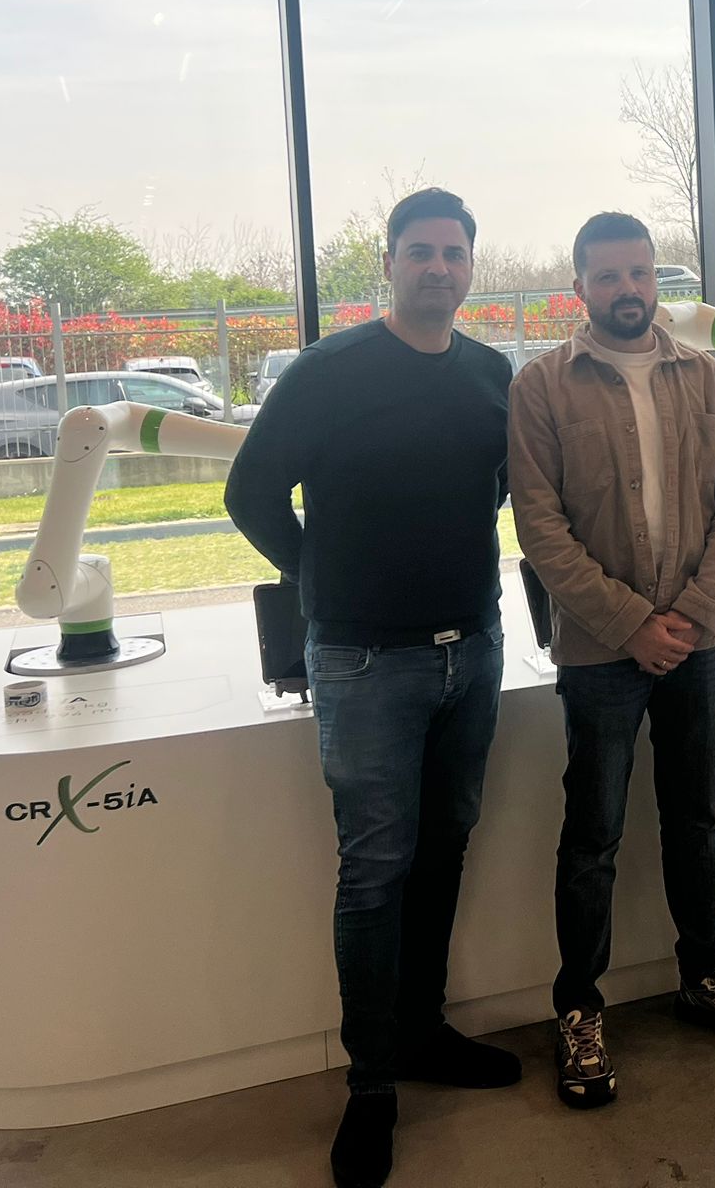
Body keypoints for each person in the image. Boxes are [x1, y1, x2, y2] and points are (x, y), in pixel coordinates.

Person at [226, 188, 518, 1188]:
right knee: (375, 872)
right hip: (362, 663)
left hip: (473, 650)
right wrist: (320, 579)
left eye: (453, 253)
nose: (438, 267)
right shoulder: (329, 371)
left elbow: (495, 490)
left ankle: (424, 1031)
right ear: (388, 264)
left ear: (470, 266)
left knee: (443, 850)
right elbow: (249, 492)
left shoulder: (489, 374)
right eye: (419, 252)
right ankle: (372, 1083)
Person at [509, 211, 715, 1112]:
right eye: (608, 275)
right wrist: (631, 624)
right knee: (592, 836)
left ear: (654, 280)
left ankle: (705, 975)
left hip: (698, 644)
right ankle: (579, 1009)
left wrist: (694, 614)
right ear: (579, 287)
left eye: (640, 273)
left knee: (695, 820)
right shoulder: (542, 387)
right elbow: (541, 528)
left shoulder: (705, 378)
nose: (627, 289)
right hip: (599, 653)